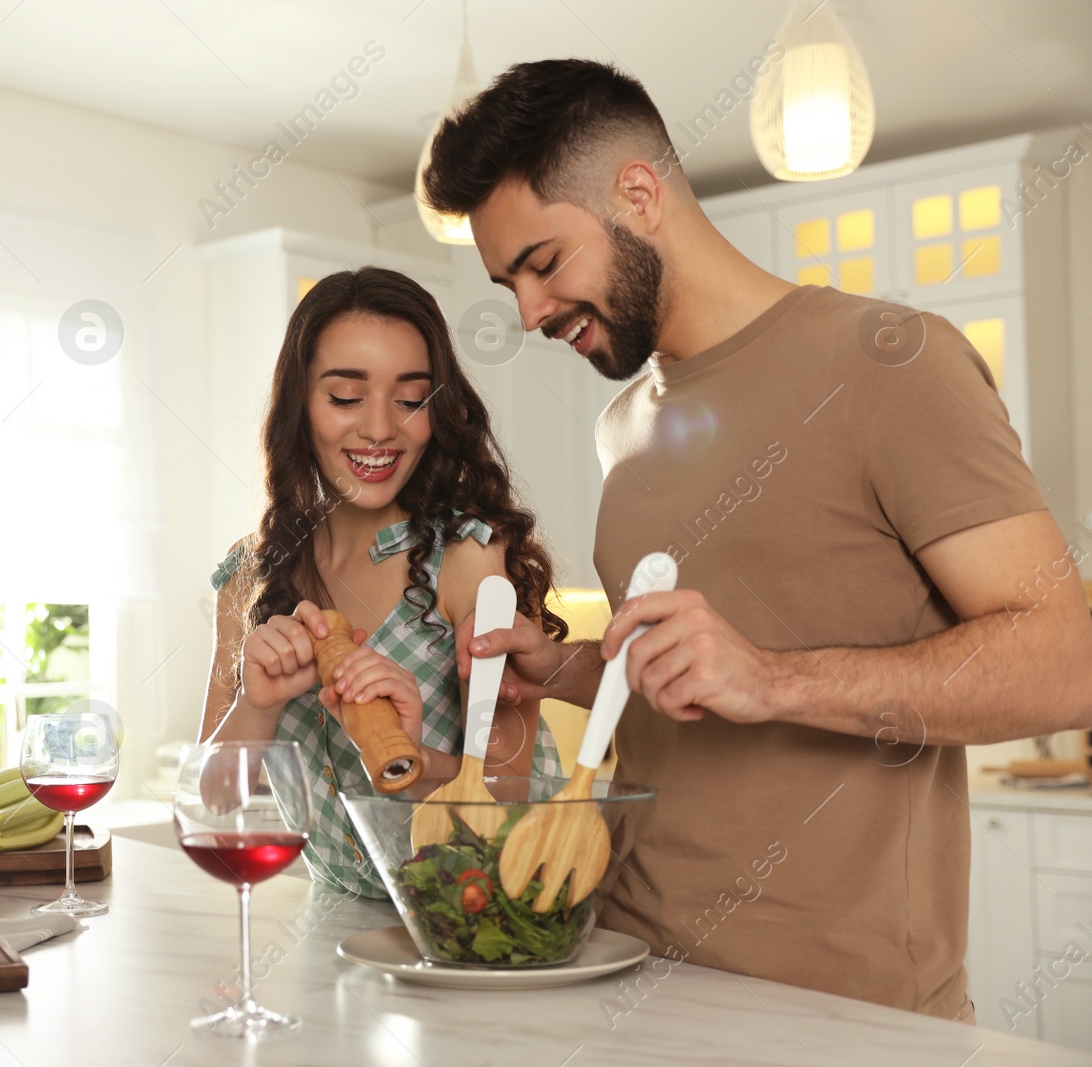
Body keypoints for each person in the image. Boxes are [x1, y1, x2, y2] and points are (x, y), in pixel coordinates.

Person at [422, 58, 1092, 1021]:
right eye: (508, 283)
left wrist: (773, 680)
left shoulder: (892, 364)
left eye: (543, 263)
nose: (526, 313)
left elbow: (1062, 661)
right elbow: (680, 676)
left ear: (640, 193)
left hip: (847, 1009)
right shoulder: (625, 425)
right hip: (624, 967)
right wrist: (562, 666)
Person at [199, 266, 570, 899]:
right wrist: (255, 704)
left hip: (482, 920)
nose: (380, 429)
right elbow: (214, 798)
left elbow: (516, 795)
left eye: (411, 399)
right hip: (336, 931)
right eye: (346, 397)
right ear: (300, 405)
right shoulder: (251, 575)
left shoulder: (468, 558)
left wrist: (414, 757)